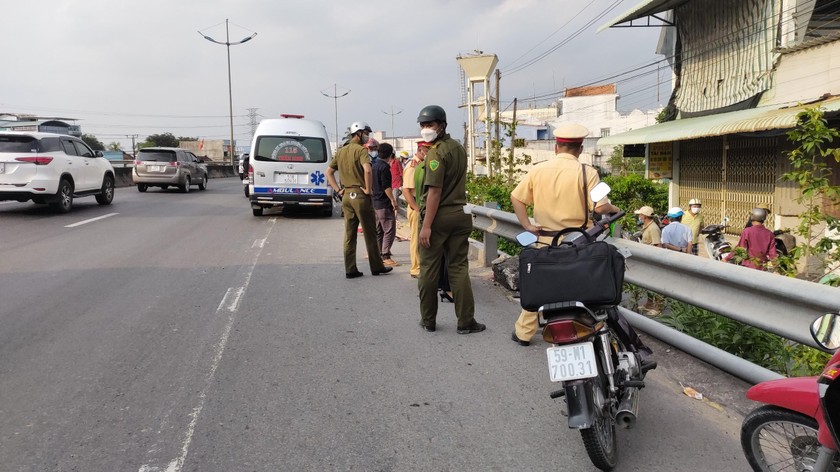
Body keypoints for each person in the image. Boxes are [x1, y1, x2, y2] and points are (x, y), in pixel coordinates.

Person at [510, 123, 653, 369]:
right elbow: (600, 207)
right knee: (582, 286)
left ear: (556, 147)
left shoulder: (538, 170)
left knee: (543, 285)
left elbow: (516, 197)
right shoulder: (588, 172)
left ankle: (524, 333)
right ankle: (588, 331)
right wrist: (616, 209)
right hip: (578, 240)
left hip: (545, 238)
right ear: (580, 147)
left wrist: (527, 225)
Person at [416, 105, 485, 334]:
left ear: (442, 125)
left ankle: (428, 320)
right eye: (424, 125)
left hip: (438, 218)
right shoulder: (458, 148)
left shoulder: (436, 153)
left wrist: (426, 226)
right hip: (460, 214)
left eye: (430, 125)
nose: (426, 129)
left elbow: (434, 192)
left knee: (429, 269)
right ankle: (466, 321)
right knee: (458, 268)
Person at [326, 121, 393, 279]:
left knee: (349, 235)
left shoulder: (341, 151)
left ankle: (350, 269)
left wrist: (338, 190)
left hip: (347, 196)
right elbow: (368, 170)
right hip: (360, 196)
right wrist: (368, 190)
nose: (367, 137)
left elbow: (328, 172)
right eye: (366, 134)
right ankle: (376, 267)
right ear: (359, 133)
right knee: (370, 233)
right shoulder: (360, 151)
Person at [402, 142, 431, 278]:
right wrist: (417, 209)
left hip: (421, 206)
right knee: (415, 239)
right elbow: (406, 191)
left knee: (422, 239)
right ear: (420, 150)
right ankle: (416, 268)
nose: (428, 153)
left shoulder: (420, 165)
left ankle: (422, 266)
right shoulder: (412, 166)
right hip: (416, 207)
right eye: (427, 150)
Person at [371, 143, 399, 267]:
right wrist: (393, 200)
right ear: (390, 153)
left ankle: (378, 253)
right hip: (383, 203)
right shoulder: (385, 167)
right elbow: (386, 186)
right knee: (389, 229)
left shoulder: (374, 166)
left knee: (379, 231)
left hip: (375, 203)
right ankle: (385, 255)